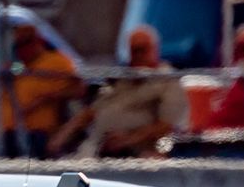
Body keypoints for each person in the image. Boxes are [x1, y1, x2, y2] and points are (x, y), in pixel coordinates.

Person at [48, 25, 189, 158]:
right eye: (134, 50)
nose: (138, 55)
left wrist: (128, 139)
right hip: (96, 147)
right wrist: (62, 136)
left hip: (136, 152)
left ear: (155, 50)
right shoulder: (123, 80)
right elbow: (91, 112)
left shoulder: (168, 80)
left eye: (142, 49)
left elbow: (167, 127)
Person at [0, 23, 81, 158]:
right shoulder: (20, 66)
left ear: (37, 41)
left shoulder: (57, 61)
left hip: (37, 132)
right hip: (8, 131)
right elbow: (13, 73)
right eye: (18, 45)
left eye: (25, 44)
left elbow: (78, 89)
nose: (21, 49)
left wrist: (45, 98)